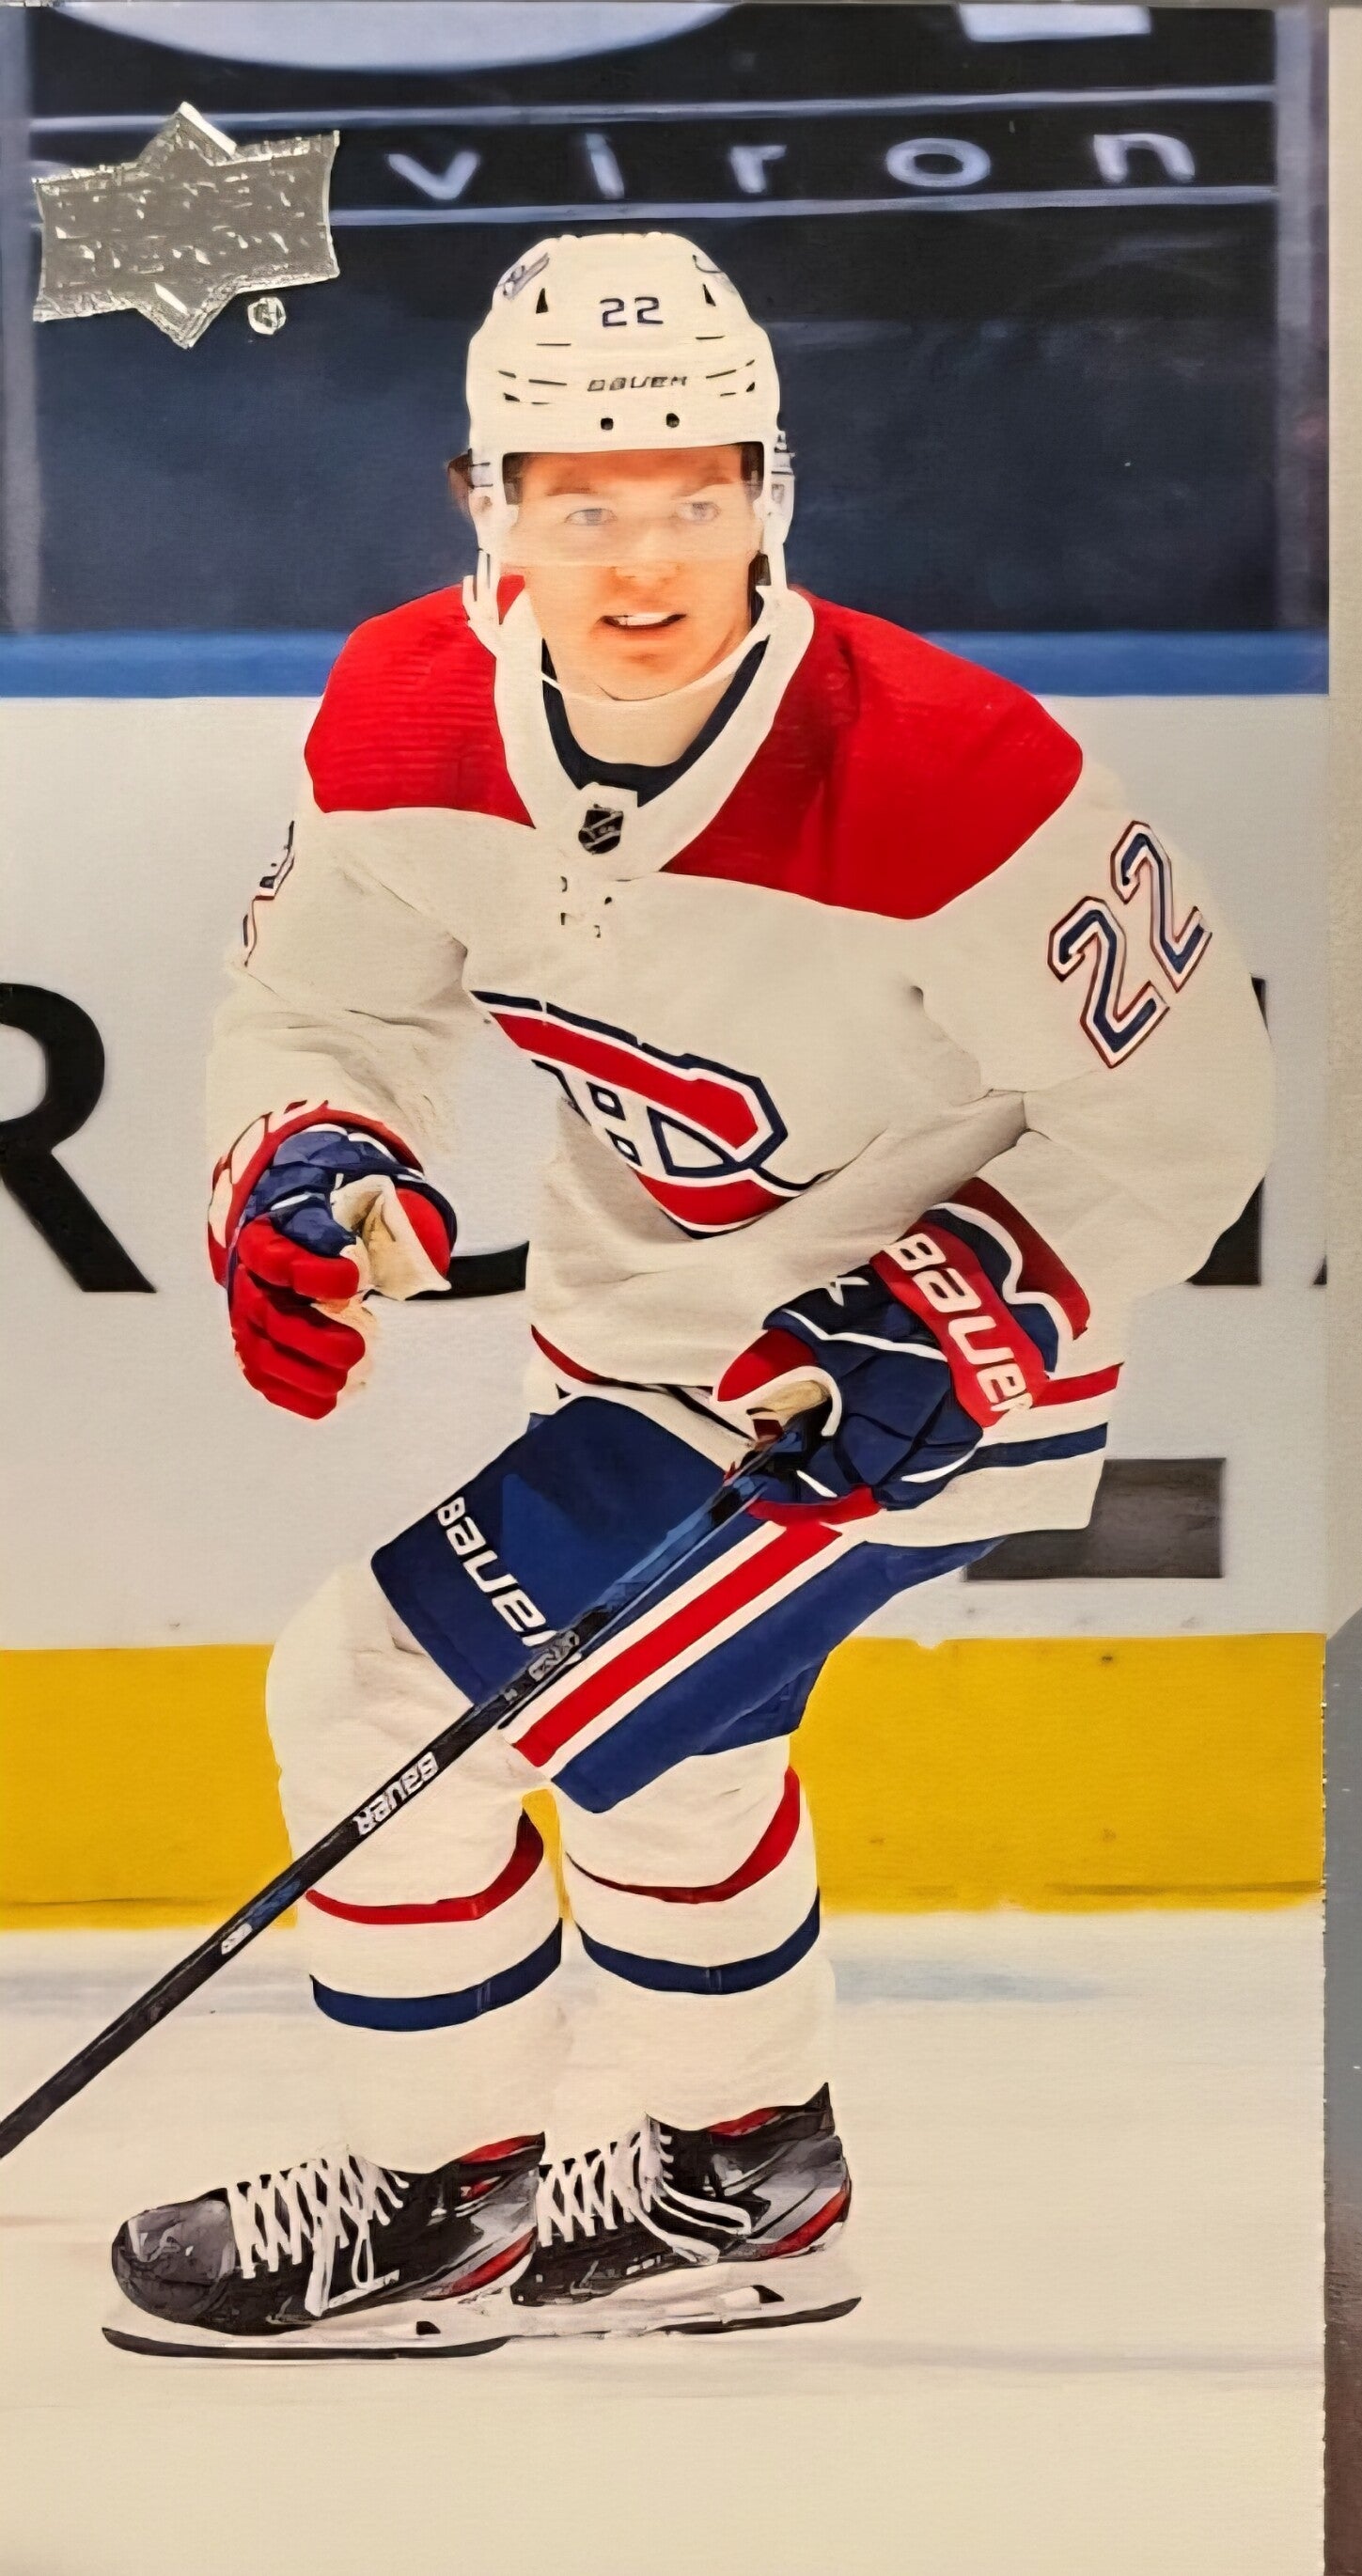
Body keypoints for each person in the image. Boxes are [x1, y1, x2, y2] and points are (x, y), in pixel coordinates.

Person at [106, 232, 1274, 2355]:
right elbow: (324, 1004)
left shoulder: (951, 768)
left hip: (902, 1373)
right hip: (635, 1336)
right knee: (670, 1765)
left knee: (375, 1684)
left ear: (772, 491)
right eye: (579, 501)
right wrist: (310, 1157)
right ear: (484, 502)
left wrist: (955, 1302)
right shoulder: (400, 709)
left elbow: (1190, 1105)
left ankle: (434, 2204)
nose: (644, 559)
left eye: (694, 494)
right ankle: (747, 2182)